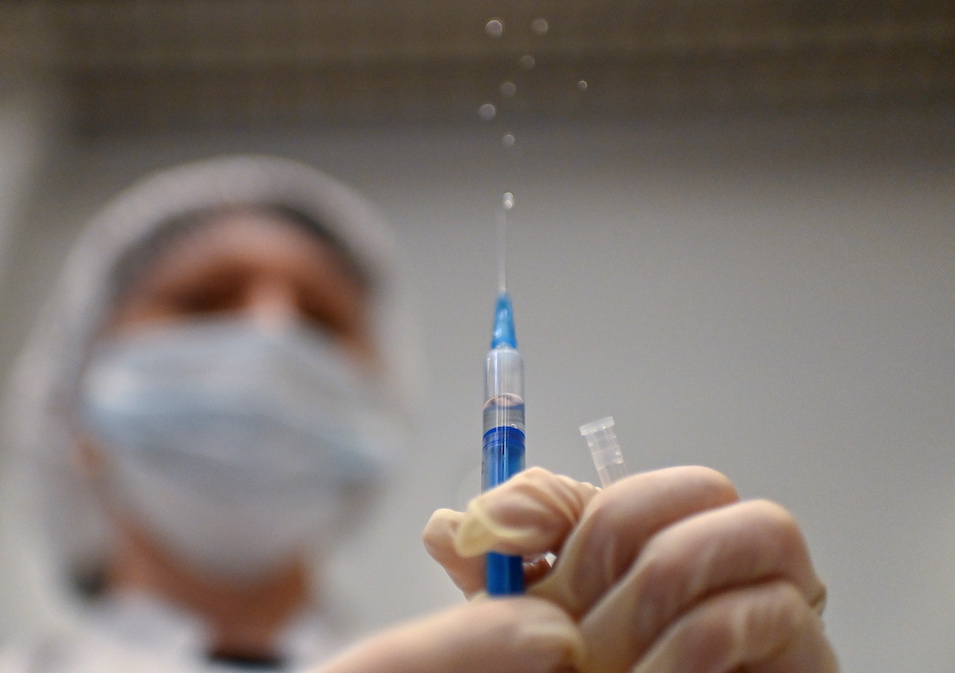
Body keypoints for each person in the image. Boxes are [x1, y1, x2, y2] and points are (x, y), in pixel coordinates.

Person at [0, 155, 837, 672]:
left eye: (323, 319)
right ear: (74, 404)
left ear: (376, 408)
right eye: (203, 301)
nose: (273, 333)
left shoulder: (503, 657)